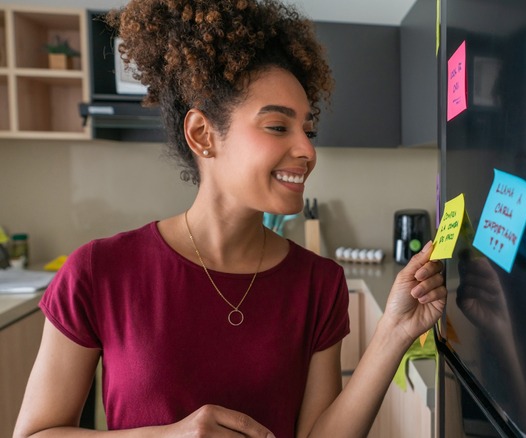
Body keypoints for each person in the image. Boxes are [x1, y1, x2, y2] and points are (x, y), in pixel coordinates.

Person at [13, 1, 446, 437]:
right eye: (278, 127)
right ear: (203, 135)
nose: (308, 150)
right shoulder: (97, 271)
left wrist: (394, 332)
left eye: (308, 130)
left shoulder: (319, 284)